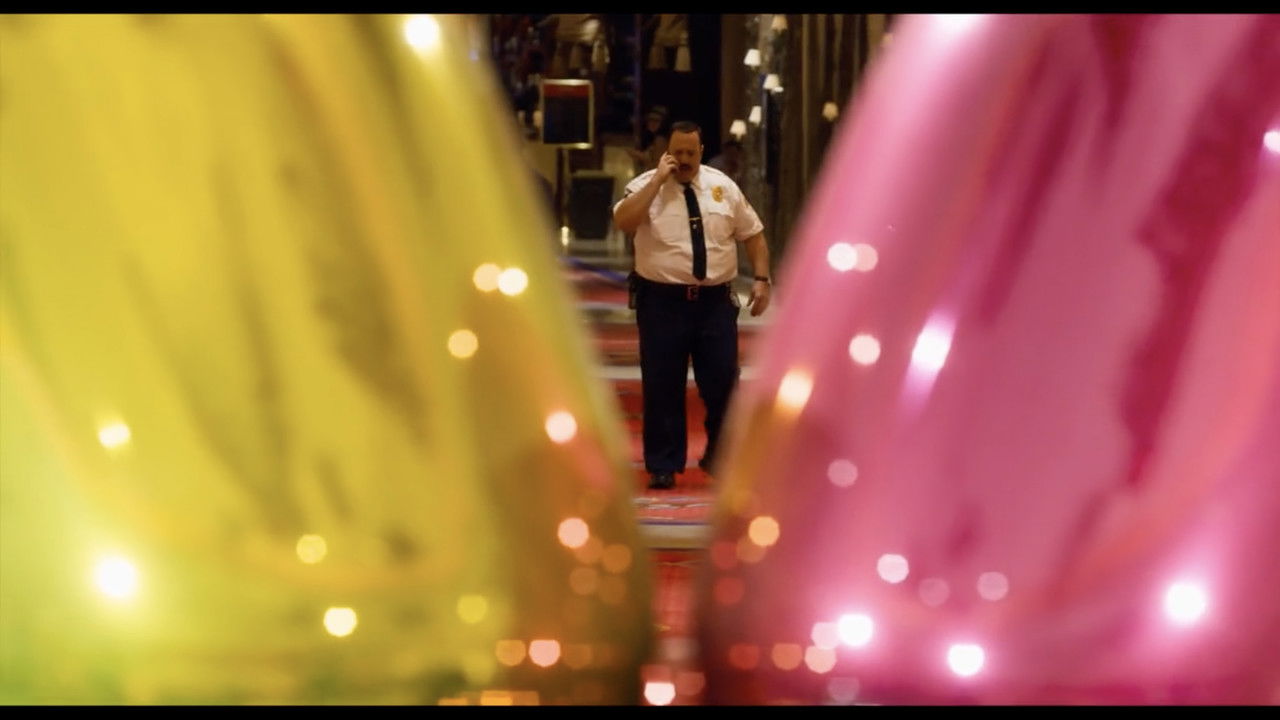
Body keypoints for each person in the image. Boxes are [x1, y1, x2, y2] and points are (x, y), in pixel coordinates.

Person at [612, 120, 772, 490]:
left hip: (714, 304)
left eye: (690, 152)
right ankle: (663, 464)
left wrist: (762, 279)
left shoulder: (723, 187)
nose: (683, 160)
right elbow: (624, 221)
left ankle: (720, 455)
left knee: (722, 383)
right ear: (665, 152)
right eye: (676, 152)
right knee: (661, 384)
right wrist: (657, 181)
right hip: (662, 303)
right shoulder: (644, 186)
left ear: (701, 151)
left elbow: (753, 235)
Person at [627, 106, 670, 174]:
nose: (652, 123)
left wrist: (637, 155)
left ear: (662, 123)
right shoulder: (651, 137)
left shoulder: (661, 140)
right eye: (650, 120)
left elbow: (657, 163)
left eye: (656, 121)